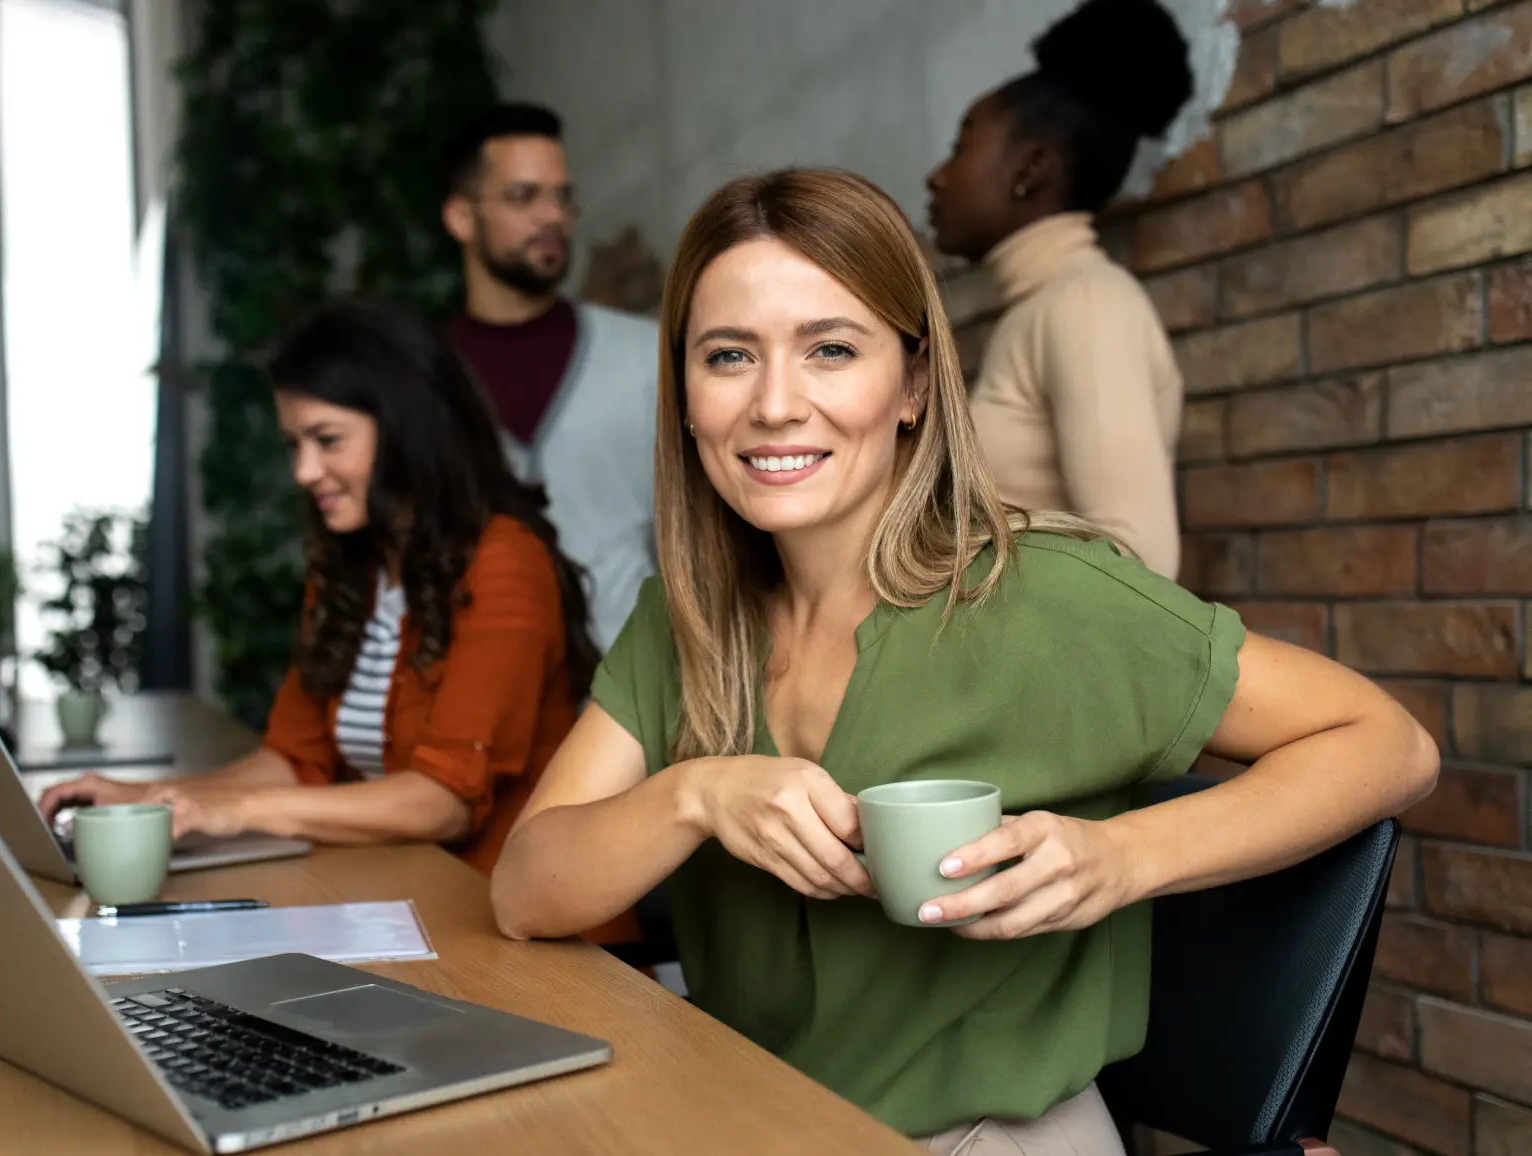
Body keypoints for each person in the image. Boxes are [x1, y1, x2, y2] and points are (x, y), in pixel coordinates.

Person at [487, 168, 1438, 1152]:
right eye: (729, 355)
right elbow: (524, 893)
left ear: (910, 387)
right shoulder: (689, 618)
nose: (774, 403)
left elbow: (1390, 744)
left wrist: (1124, 858)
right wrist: (695, 795)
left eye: (831, 350)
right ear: (683, 394)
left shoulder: (1047, 599)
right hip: (751, 1120)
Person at [39, 301, 600, 876]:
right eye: (294, 444)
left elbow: (443, 804)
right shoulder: (352, 564)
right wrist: (146, 799)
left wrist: (236, 811)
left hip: (525, 931)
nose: (304, 472)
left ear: (409, 430)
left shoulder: (504, 561)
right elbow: (294, 760)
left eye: (327, 440)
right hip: (417, 893)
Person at [926, 0, 1193, 579]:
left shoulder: (1086, 303)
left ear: (1030, 170)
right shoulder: (1039, 307)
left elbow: (1139, 564)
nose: (936, 175)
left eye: (959, 146)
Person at [440, 102, 658, 649]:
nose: (552, 217)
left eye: (563, 197)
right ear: (462, 218)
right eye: (523, 197)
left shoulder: (647, 356)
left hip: (638, 703)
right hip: (483, 704)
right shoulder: (424, 382)